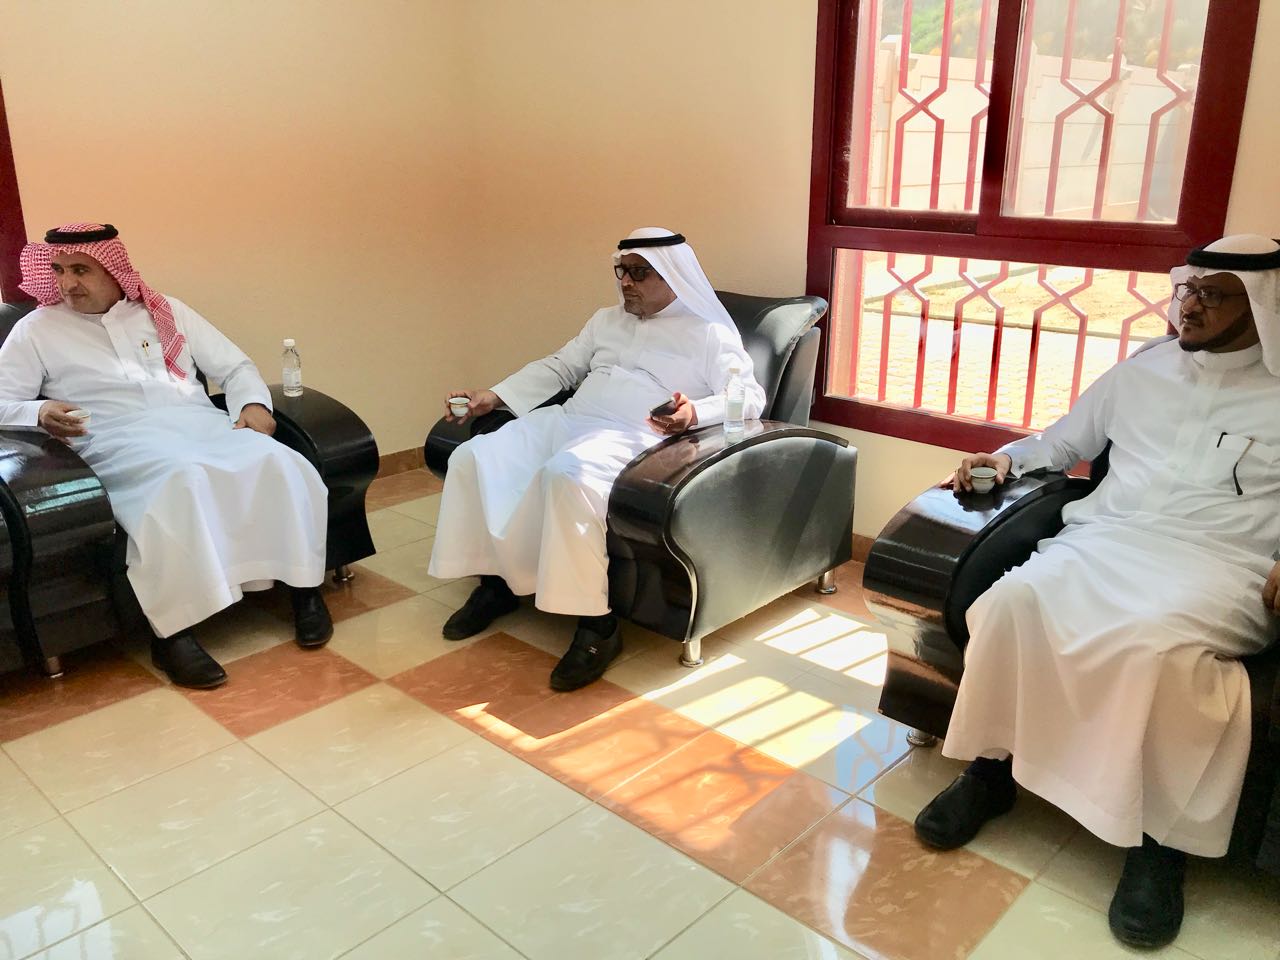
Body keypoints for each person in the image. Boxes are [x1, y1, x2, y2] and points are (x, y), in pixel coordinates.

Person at [915, 233, 1280, 948]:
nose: (1189, 307)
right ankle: (991, 773)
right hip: (1109, 540)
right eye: (1187, 289)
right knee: (1011, 605)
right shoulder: (1141, 371)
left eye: (1212, 296)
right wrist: (1003, 458)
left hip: (1223, 564)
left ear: (1265, 308)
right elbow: (1060, 442)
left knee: (1155, 651)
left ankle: (1159, 844)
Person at [429, 227, 764, 690]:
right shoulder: (606, 321)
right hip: (570, 419)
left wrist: (694, 413)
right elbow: (560, 366)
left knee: (568, 474)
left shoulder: (709, 332)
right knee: (473, 457)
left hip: (634, 437)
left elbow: (749, 397)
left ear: (672, 276)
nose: (626, 282)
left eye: (639, 273)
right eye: (621, 272)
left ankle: (597, 626)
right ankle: (495, 585)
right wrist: (494, 395)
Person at [0, 223, 332, 689]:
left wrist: (253, 405)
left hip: (200, 423)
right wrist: (38, 411)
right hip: (116, 441)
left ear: (114, 270)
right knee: (182, 478)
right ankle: (173, 633)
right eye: (58, 270)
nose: (67, 283)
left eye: (81, 270)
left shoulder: (165, 310)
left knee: (280, 462)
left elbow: (234, 366)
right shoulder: (36, 330)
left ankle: (305, 591)